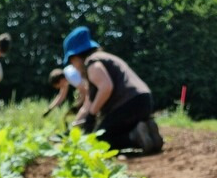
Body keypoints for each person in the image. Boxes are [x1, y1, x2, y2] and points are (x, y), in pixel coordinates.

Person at [62, 26, 163, 154]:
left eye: (72, 63)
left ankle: (135, 136)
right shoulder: (105, 57)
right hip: (144, 100)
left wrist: (92, 115)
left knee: (100, 139)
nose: (74, 68)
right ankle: (147, 131)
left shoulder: (91, 63)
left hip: (128, 104)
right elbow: (88, 104)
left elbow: (106, 87)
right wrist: (74, 126)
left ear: (75, 57)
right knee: (112, 128)